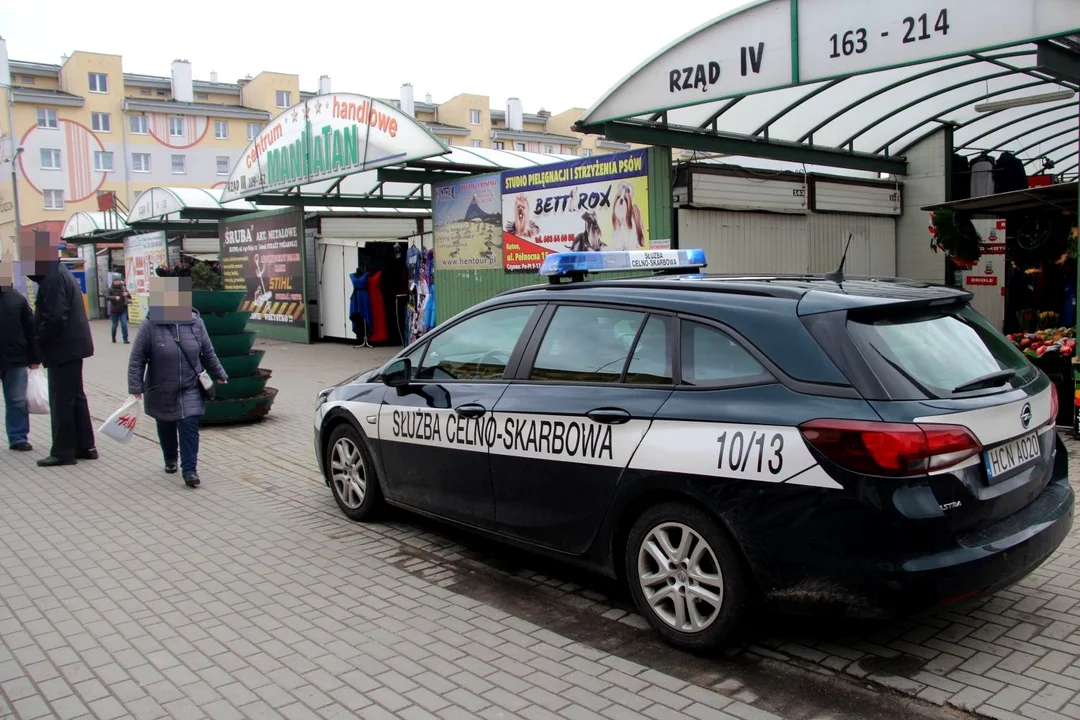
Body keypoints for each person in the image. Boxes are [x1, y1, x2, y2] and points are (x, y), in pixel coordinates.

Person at [127, 276, 227, 487]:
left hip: (190, 386)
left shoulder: (196, 323)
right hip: (161, 386)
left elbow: (207, 351)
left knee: (189, 424)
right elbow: (137, 359)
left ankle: (190, 470)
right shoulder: (150, 325)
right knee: (165, 424)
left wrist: (219, 373)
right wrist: (136, 387)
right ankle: (170, 457)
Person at [21, 232, 96, 467]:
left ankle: (64, 451)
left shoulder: (52, 279)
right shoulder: (58, 273)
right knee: (75, 396)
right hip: (73, 345)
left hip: (62, 347)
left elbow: (54, 317)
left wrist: (39, 340)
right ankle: (85, 445)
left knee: (61, 399)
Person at [0, 252, 40, 452]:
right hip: (14, 357)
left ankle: (18, 437)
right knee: (16, 399)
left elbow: (31, 330)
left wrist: (34, 358)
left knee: (16, 400)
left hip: (15, 358)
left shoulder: (17, 299)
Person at [106, 275, 132, 344]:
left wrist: (127, 294)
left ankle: (125, 339)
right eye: (116, 281)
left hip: (123, 309)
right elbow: (107, 297)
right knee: (114, 325)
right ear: (113, 282)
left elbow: (130, 296)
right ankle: (113, 337)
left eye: (118, 281)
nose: (117, 282)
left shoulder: (123, 288)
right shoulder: (110, 289)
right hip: (114, 310)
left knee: (124, 324)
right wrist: (114, 297)